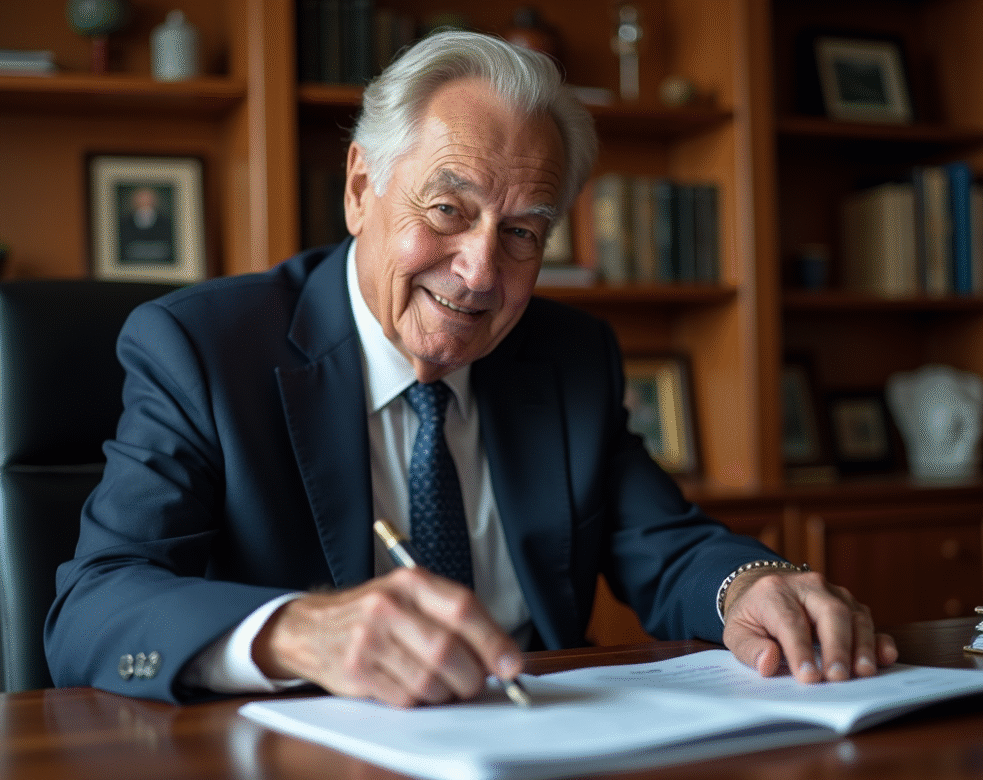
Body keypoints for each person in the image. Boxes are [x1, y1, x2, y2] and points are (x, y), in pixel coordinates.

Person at [46, 31, 897, 706]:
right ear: (359, 187)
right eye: (448, 210)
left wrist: (751, 582)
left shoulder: (567, 356)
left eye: (523, 232)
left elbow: (665, 547)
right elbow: (93, 606)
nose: (482, 271)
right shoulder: (202, 350)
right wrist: (296, 632)